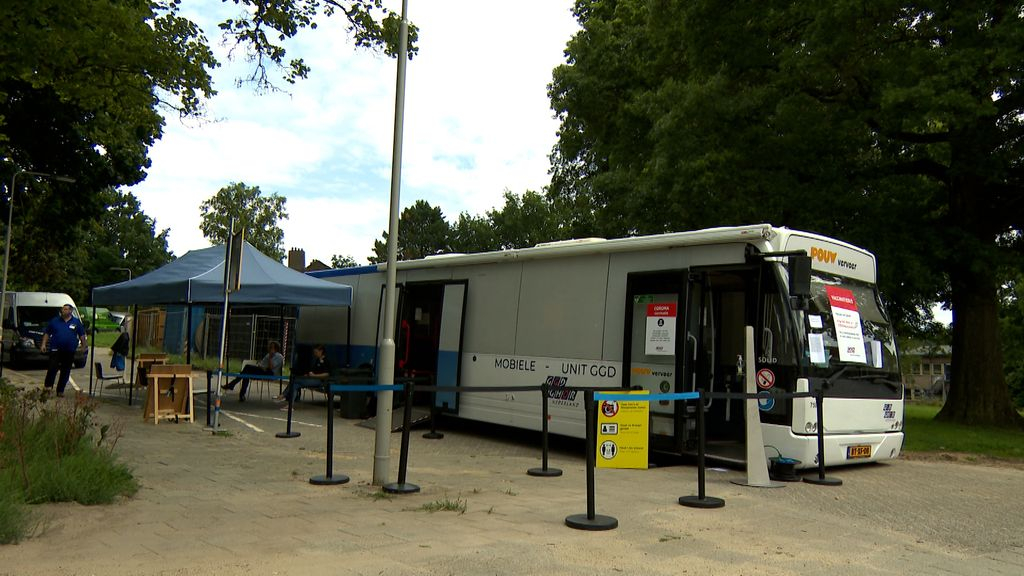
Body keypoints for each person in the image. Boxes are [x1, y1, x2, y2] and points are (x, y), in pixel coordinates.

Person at [40, 303, 87, 397]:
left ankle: (60, 390)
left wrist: (83, 346)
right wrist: (43, 344)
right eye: (63, 309)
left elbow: (82, 335)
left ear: (71, 311)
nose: (63, 311)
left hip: (69, 350)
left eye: (66, 309)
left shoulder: (76, 322)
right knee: (52, 368)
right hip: (55, 349)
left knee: (65, 371)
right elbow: (47, 333)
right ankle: (48, 388)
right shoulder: (55, 321)